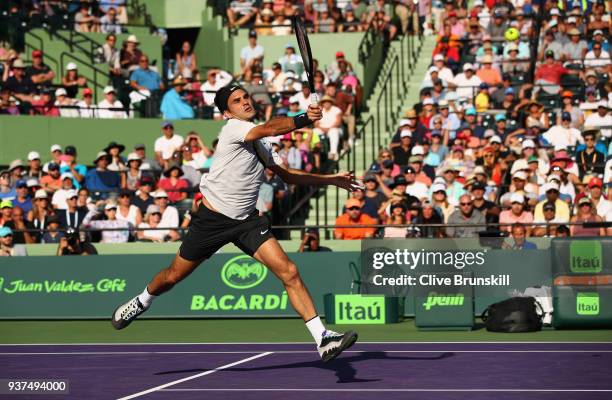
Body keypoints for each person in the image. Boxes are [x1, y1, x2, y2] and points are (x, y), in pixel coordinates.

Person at [111, 83, 359, 362]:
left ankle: (322, 338)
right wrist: (303, 118)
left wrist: (331, 180)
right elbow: (271, 127)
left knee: (289, 271)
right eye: (237, 101)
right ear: (227, 112)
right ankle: (143, 299)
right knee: (172, 276)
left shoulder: (260, 140)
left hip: (247, 221)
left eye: (246, 97)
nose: (244, 102)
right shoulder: (234, 129)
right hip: (212, 220)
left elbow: (287, 175)